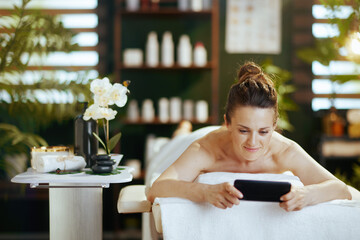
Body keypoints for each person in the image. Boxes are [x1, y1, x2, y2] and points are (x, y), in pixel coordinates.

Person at [147, 61, 360, 212]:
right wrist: (204, 191)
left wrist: (306, 195)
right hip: (188, 142)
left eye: (264, 132)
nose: (253, 142)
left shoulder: (285, 151)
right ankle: (183, 129)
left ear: (274, 126)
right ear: (227, 123)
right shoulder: (206, 148)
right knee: (178, 139)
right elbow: (157, 189)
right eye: (243, 130)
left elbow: (339, 188)